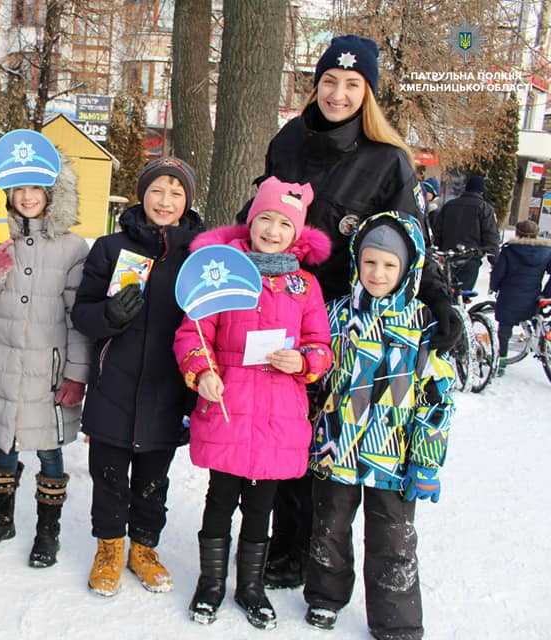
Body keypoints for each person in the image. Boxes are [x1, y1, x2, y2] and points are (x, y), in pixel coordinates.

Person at [241, 34, 458, 589]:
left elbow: (412, 239)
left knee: (320, 440)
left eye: (352, 85)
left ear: (368, 92)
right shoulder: (289, 139)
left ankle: (305, 553)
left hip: (343, 322)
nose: (338, 94)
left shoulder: (388, 160)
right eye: (329, 82)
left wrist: (437, 298)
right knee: (279, 428)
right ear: (315, 85)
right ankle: (276, 544)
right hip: (280, 304)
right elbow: (262, 210)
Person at [174, 178, 334, 628]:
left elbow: (321, 344)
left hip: (278, 418)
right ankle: (210, 583)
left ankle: (251, 586)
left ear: (296, 233)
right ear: (251, 221)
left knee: (261, 509)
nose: (272, 229)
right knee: (220, 501)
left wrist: (303, 360)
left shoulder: (305, 287)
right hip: (229, 408)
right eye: (265, 218)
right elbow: (194, 333)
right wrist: (201, 371)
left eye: (284, 223)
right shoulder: (223, 272)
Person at [305, 212, 455, 640]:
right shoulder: (335, 315)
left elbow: (436, 398)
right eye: (370, 262)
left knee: (394, 539)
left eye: (390, 265)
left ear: (407, 269)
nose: (378, 273)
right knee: (329, 524)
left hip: (393, 452)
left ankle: (397, 618)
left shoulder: (424, 324)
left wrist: (427, 460)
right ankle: (325, 596)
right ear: (357, 262)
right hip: (336, 446)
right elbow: (315, 378)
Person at [71, 156, 205, 597]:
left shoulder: (197, 255)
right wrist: (108, 315)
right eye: (157, 191)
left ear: (187, 201)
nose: (165, 201)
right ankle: (108, 548)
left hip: (167, 390)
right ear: (141, 194)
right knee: (108, 476)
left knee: (153, 479)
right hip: (115, 386)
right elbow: (83, 314)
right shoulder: (110, 249)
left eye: (176, 193)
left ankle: (144, 548)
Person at [0, 131, 91, 568]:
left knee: (50, 451)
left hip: (49, 371)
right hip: (4, 366)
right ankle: (2, 519)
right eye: (19, 188)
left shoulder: (74, 248)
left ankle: (47, 531)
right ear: (5, 193)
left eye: (36, 187)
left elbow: (79, 317)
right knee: (4, 446)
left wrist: (76, 374)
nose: (28, 196)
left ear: (52, 191)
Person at [489, 219, 551, 376]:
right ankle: (539, 344)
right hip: (533, 297)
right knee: (536, 320)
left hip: (509, 297)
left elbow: (498, 273)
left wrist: (494, 287)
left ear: (518, 233)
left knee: (504, 330)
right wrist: (546, 293)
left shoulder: (509, 250)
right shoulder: (546, 251)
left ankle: (501, 362)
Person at [431, 174, 501, 293]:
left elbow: (437, 231)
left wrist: (438, 250)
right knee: (462, 294)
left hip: (448, 257)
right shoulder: (484, 208)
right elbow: (490, 235)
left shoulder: (449, 205)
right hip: (470, 258)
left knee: (445, 292)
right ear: (482, 192)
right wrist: (495, 261)